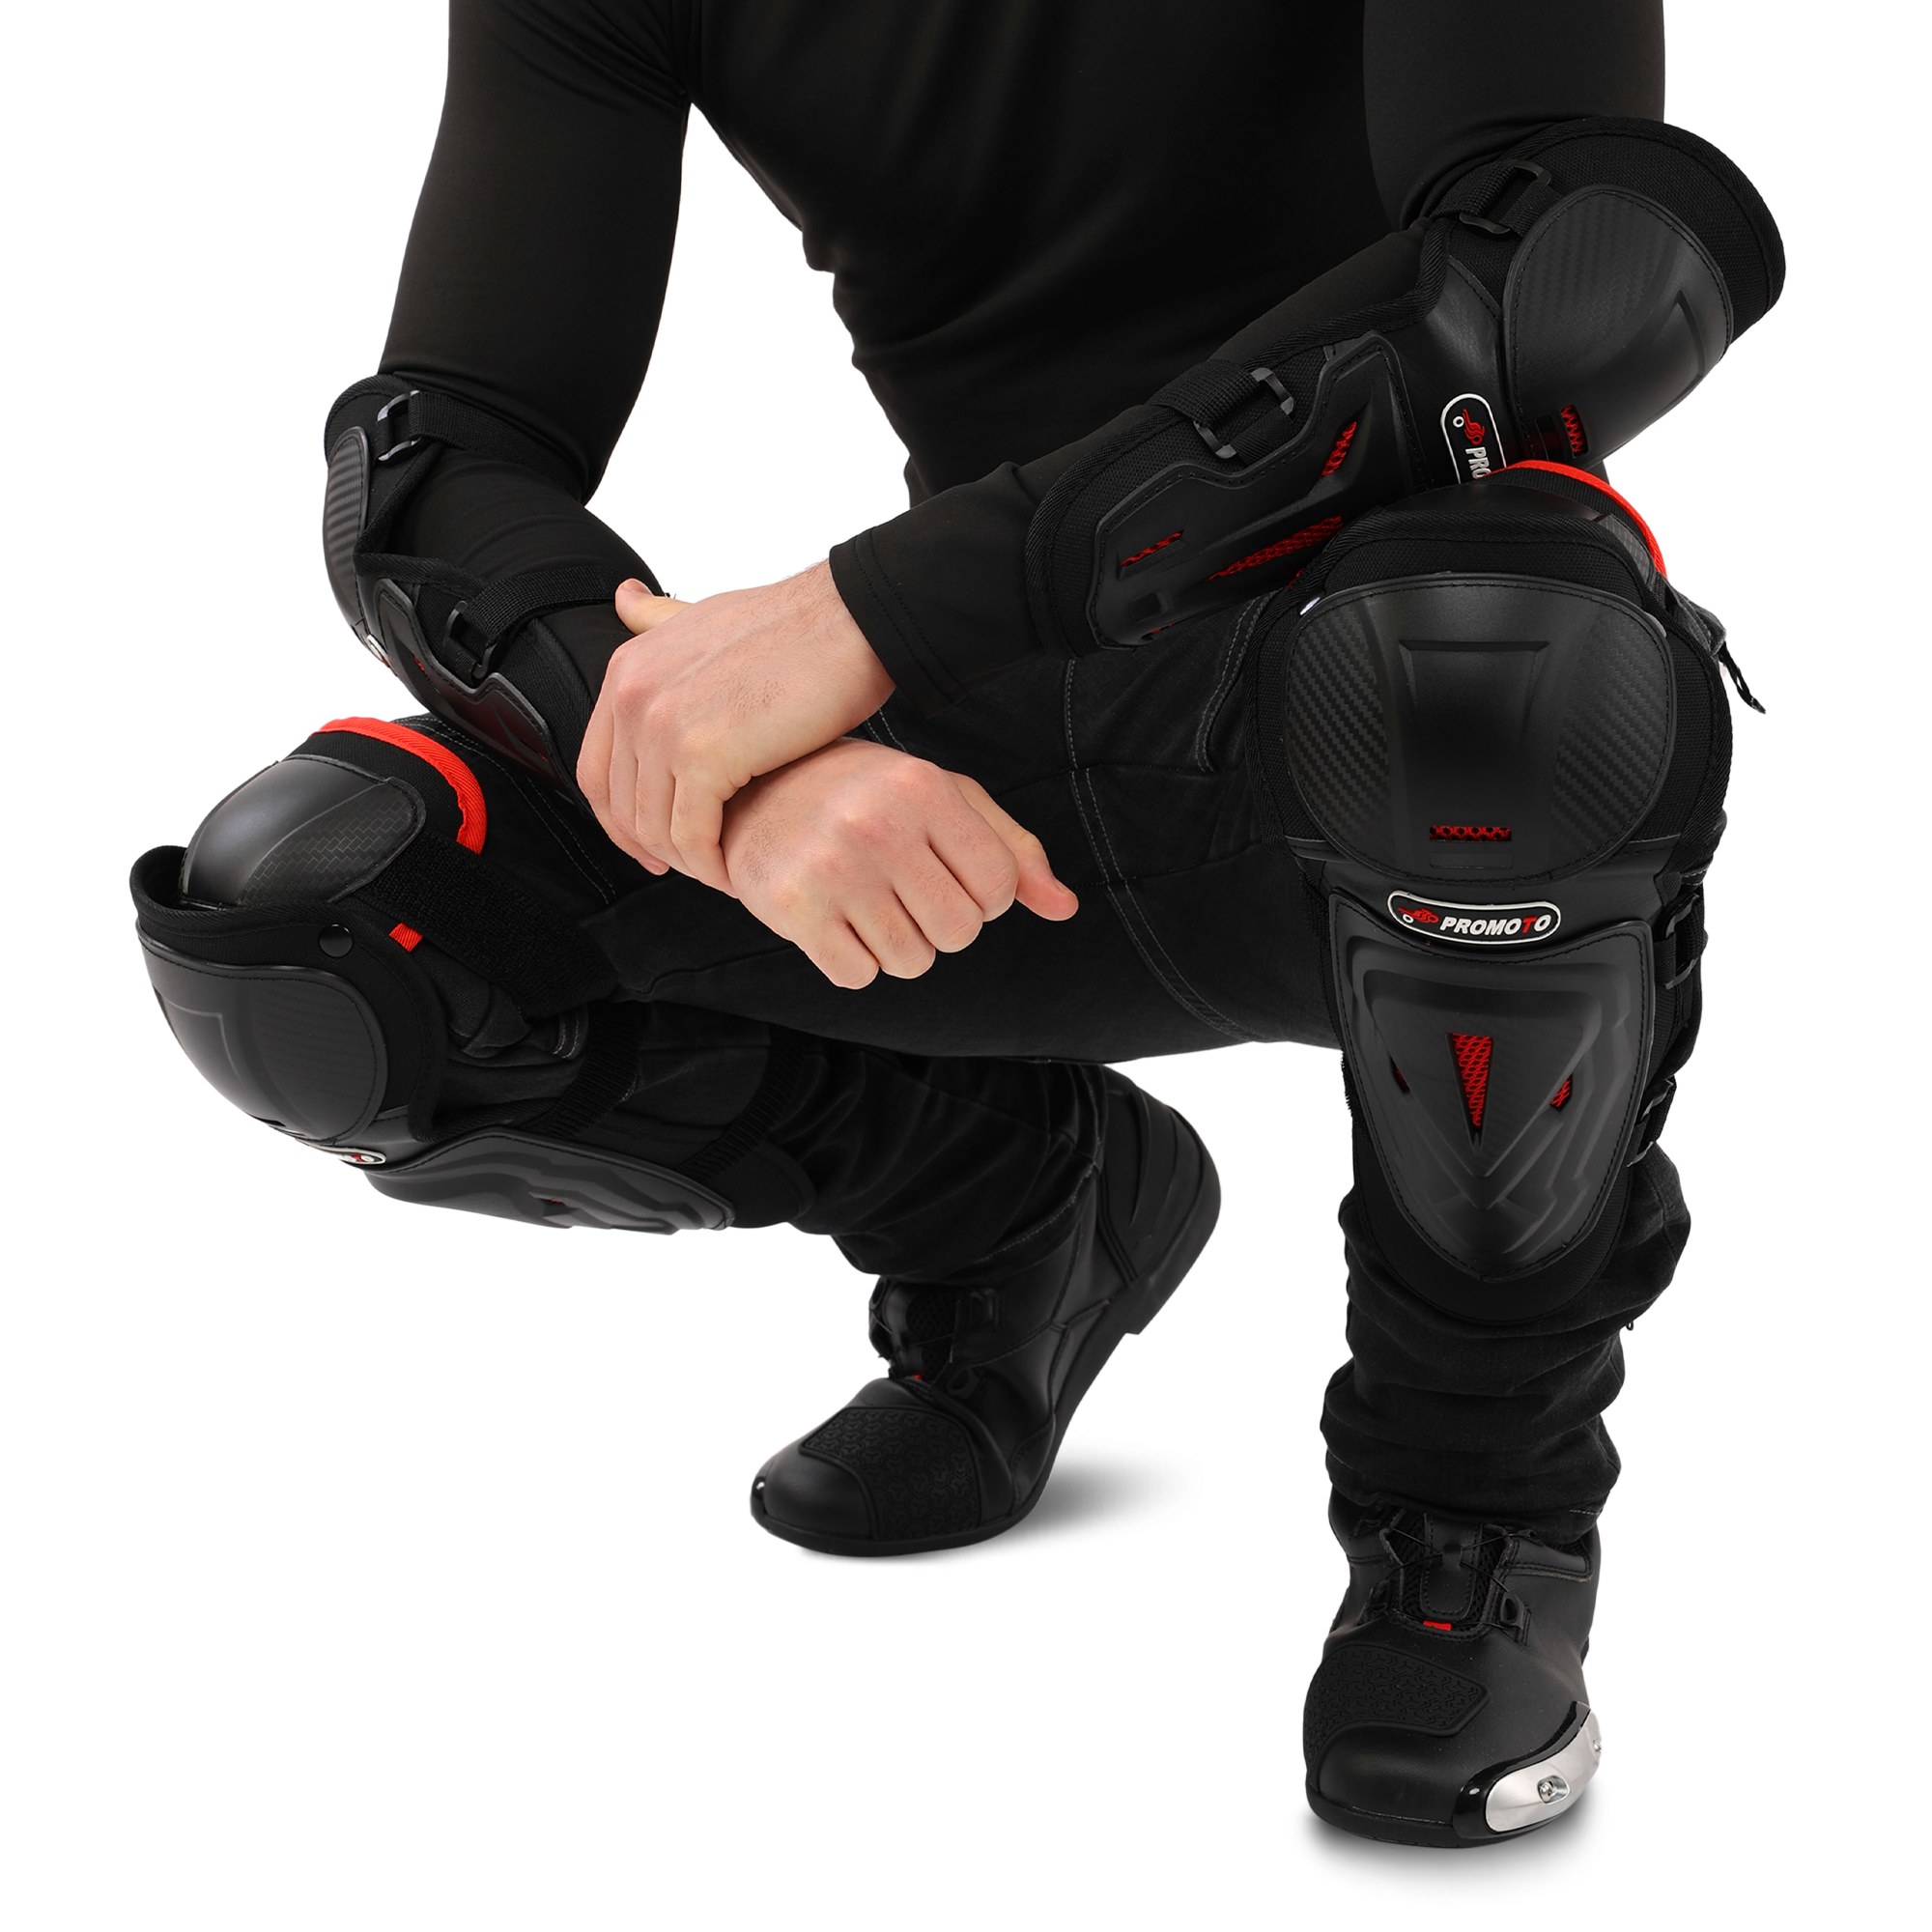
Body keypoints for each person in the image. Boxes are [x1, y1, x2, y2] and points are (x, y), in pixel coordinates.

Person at [130, 2, 1782, 1847]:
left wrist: (870, 619)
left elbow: (1577, 261)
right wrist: (711, 763)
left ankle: (1469, 1532)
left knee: (1498, 671)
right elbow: (434, 458)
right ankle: (1017, 1210)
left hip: (1386, 722)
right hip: (972, 792)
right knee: (322, 914)